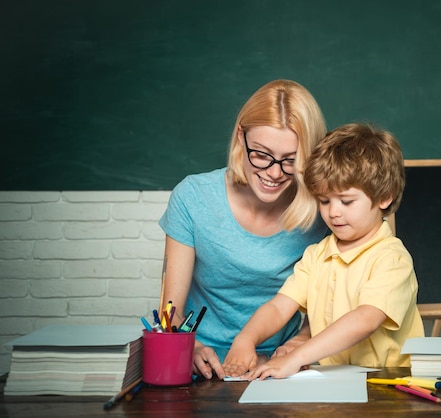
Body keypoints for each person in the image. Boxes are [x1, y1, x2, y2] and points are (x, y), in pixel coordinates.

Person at [222, 123, 425, 380]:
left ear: (384, 197)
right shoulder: (316, 255)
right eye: (325, 201)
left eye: (347, 201)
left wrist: (297, 356)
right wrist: (245, 339)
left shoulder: (391, 259)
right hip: (335, 381)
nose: (333, 212)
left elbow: (365, 319)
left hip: (389, 383)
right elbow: (278, 307)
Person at [158, 79, 328, 380]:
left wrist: (301, 341)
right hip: (203, 368)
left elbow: (331, 301)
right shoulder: (193, 197)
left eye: (290, 161)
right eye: (261, 154)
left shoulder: (324, 211)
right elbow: (171, 311)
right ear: (241, 137)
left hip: (280, 366)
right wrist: (189, 347)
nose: (274, 173)